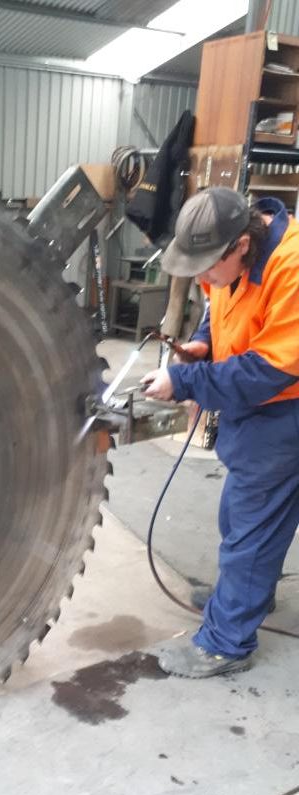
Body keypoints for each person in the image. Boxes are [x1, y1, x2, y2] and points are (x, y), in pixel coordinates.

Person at [141, 187, 299, 678]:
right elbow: (217, 308)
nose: (203, 278)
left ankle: (225, 643)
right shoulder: (224, 261)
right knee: (242, 516)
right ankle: (248, 593)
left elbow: (272, 369)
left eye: (209, 268)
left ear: (242, 246)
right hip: (259, 407)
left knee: (251, 529)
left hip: (286, 407)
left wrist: (187, 381)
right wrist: (201, 346)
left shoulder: (291, 267)